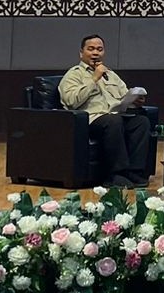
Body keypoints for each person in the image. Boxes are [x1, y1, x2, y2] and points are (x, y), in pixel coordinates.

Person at [58, 34, 150, 188]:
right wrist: (94, 78)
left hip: (115, 117)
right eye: (91, 49)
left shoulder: (111, 75)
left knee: (141, 122)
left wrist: (134, 100)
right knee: (113, 121)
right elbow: (71, 101)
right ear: (81, 53)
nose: (95, 53)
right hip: (89, 121)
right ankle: (115, 175)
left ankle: (134, 172)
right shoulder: (73, 75)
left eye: (99, 49)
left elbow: (124, 95)